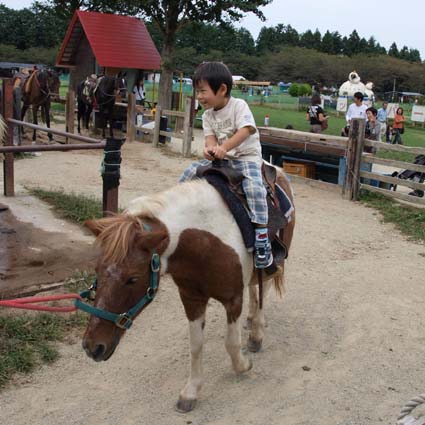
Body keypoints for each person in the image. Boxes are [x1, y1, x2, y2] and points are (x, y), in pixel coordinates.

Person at [179, 61, 273, 269]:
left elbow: (246, 130)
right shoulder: (207, 115)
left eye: (203, 91)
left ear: (222, 89)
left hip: (246, 157)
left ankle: (261, 237)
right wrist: (210, 150)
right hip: (223, 158)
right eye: (197, 91)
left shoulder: (239, 106)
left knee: (254, 188)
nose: (200, 96)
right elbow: (210, 139)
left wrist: (225, 147)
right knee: (187, 174)